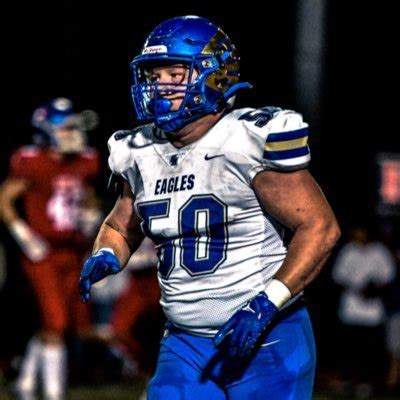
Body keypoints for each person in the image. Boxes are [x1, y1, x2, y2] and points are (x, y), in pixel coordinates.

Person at [79, 16, 340, 399]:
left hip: (268, 336)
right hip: (184, 343)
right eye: (154, 74)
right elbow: (121, 225)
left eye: (174, 73)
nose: (160, 86)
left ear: (214, 75)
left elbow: (320, 228)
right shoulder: (138, 151)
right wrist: (106, 252)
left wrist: (268, 302)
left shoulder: (245, 140)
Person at [0, 98, 101, 400]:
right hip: (42, 252)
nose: (72, 133)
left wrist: (91, 213)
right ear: (46, 131)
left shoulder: (83, 160)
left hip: (73, 250)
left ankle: (26, 383)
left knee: (55, 321)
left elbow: (87, 195)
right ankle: (55, 393)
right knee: (57, 322)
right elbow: (4, 199)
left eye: (73, 127)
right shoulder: (32, 161)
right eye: (65, 128)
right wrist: (23, 235)